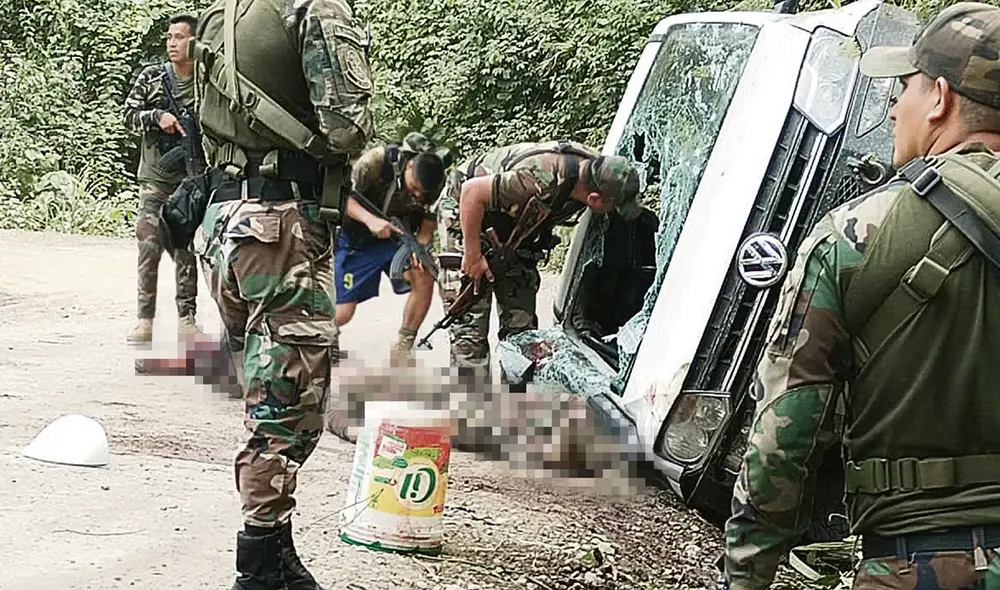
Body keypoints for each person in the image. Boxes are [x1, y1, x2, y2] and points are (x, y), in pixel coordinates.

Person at [721, 3, 1000, 589]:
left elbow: (784, 438)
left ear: (940, 98)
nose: (894, 107)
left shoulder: (855, 233)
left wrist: (747, 576)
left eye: (903, 88)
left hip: (916, 562)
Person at [186, 0, 374, 587]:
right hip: (280, 227)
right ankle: (260, 565)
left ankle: (274, 548)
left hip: (226, 221)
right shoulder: (315, 8)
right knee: (288, 405)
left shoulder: (223, 12)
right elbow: (347, 127)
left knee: (271, 394)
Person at [435, 140, 641, 380]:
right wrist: (473, 254)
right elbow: (472, 192)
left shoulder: (601, 170)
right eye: (613, 207)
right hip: (464, 211)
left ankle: (515, 408)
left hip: (513, 229)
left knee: (522, 331)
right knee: (470, 329)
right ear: (594, 200)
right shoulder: (539, 179)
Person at [122, 13, 201, 344]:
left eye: (180, 37)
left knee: (185, 248)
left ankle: (187, 317)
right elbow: (128, 115)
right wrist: (157, 116)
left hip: (191, 178)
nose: (172, 43)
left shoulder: (206, 80)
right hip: (155, 177)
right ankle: (144, 320)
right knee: (149, 244)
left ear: (195, 42)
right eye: (169, 37)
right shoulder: (153, 76)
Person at [335, 131, 446, 364]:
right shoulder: (375, 162)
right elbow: (339, 196)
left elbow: (426, 228)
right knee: (343, 313)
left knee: (424, 275)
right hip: (356, 239)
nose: (417, 195)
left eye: (421, 194)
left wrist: (420, 249)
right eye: (414, 188)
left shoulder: (435, 181)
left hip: (397, 239)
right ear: (410, 166)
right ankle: (323, 339)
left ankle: (403, 346)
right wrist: (369, 220)